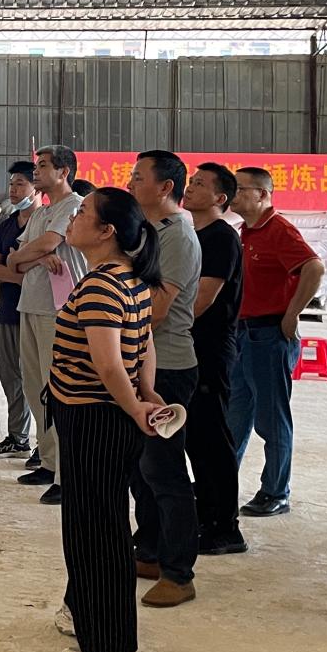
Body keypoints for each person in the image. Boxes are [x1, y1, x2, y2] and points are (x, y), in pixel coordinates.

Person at [50, 187, 162, 652]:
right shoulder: (129, 278)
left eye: (82, 213)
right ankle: (86, 614)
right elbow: (145, 344)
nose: (73, 218)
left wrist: (136, 405)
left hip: (96, 417)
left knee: (97, 532)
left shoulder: (101, 285)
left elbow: (110, 363)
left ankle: (112, 650)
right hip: (104, 413)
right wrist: (146, 393)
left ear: (106, 232)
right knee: (97, 523)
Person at [126, 151, 201, 608]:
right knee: (141, 468)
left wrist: (111, 325)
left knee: (165, 470)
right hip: (141, 360)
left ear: (166, 187)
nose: (131, 183)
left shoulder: (177, 237)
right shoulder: (147, 231)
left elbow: (157, 308)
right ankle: (150, 550)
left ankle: (179, 571)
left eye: (139, 177)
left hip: (168, 365)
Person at [228, 167, 325, 518]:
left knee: (271, 419)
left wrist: (292, 313)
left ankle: (275, 491)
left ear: (262, 194)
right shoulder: (245, 232)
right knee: (235, 416)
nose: (233, 195)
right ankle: (223, 483)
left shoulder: (278, 229)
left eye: (240, 189)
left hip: (269, 334)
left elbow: (313, 268)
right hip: (243, 334)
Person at [0, 144, 87, 504]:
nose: (36, 172)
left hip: (61, 309)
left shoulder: (75, 205)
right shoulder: (43, 211)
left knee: (60, 390)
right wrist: (35, 256)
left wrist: (38, 252)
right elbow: (14, 260)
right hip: (31, 304)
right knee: (36, 385)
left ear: (64, 172)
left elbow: (50, 242)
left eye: (44, 166)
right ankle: (49, 462)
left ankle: (68, 474)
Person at [184, 162, 246, 556]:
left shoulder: (221, 237)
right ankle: (206, 514)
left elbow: (202, 298)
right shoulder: (194, 234)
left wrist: (164, 323)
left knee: (211, 438)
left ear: (220, 198)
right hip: (189, 345)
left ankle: (226, 526)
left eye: (200, 184)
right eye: (191, 181)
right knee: (195, 437)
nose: (190, 188)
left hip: (210, 347)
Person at [0, 161, 38, 458]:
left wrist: (7, 270)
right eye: (12, 184)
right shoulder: (7, 224)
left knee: (37, 379)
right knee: (10, 377)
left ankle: (47, 444)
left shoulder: (43, 223)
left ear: (36, 187)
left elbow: (36, 277)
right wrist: (13, 267)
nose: (13, 190)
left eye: (20, 184)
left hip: (35, 313)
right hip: (6, 310)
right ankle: (18, 437)